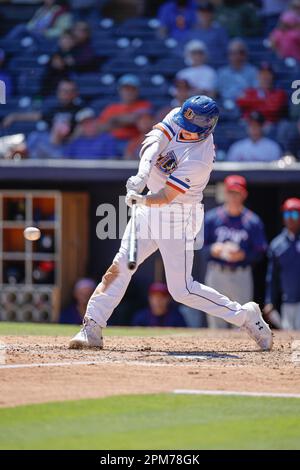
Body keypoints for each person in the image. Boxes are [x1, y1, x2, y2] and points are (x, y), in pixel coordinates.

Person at [69, 95, 272, 351]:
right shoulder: (180, 115)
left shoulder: (200, 159)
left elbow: (165, 196)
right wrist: (143, 173)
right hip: (148, 211)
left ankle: (245, 316)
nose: (182, 128)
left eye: (189, 128)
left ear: (204, 128)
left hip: (177, 216)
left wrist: (141, 201)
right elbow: (153, 143)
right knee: (122, 264)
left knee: (182, 289)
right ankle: (92, 326)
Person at [204, 175, 267, 328]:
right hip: (217, 273)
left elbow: (261, 251)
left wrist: (244, 255)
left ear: (244, 194)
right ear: (225, 193)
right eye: (231, 192)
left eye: (237, 193)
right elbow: (199, 247)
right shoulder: (212, 218)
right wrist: (213, 249)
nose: (234, 196)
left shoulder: (252, 221)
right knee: (216, 321)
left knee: (243, 321)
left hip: (241, 274)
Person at [264, 198, 300, 330]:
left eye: (295, 214)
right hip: (287, 302)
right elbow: (272, 277)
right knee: (290, 338)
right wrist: (269, 301)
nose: (291, 218)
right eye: (287, 214)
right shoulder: (277, 245)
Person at [2, 80, 84, 132]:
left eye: (69, 91)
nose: (65, 94)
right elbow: (36, 116)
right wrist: (14, 116)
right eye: (62, 91)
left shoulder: (81, 111)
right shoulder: (55, 110)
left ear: (75, 93)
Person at [98, 74, 152, 144]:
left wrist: (114, 120)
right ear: (120, 90)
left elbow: (135, 119)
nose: (129, 92)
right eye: (126, 89)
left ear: (137, 91)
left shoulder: (144, 105)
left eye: (132, 89)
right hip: (113, 142)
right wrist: (124, 120)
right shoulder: (111, 108)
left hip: (135, 141)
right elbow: (101, 128)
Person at [6, 0, 72, 41]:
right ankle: (7, 42)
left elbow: (62, 31)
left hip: (45, 36)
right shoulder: (41, 10)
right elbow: (32, 23)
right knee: (21, 27)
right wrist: (32, 28)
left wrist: (46, 32)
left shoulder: (61, 12)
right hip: (35, 32)